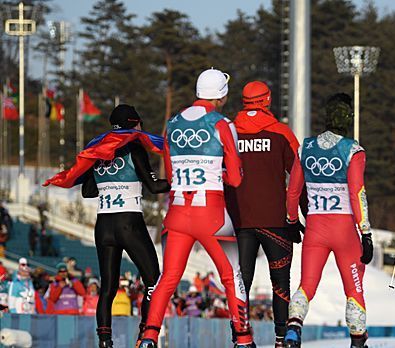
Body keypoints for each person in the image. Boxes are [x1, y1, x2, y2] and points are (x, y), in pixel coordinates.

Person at [139, 68, 255, 348]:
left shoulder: (174, 123)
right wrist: (219, 173)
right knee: (231, 276)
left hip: (177, 211)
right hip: (211, 214)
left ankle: (148, 337)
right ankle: (243, 338)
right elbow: (237, 179)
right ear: (221, 95)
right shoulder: (223, 124)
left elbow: (167, 172)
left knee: (168, 279)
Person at [43, 104, 169, 347]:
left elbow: (89, 191)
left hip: (104, 226)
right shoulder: (134, 147)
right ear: (134, 124)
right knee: (154, 281)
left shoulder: (99, 150)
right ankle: (146, 336)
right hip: (128, 223)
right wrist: (182, 182)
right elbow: (154, 187)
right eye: (139, 124)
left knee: (108, 288)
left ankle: (104, 341)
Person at [284, 93, 374, 348]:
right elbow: (358, 193)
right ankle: (358, 341)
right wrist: (365, 232)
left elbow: (293, 191)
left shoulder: (306, 147)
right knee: (354, 290)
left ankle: (293, 327)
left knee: (306, 285)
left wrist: (292, 220)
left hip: (315, 228)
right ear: (348, 118)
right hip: (344, 230)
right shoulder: (353, 150)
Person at [225, 81, 306, 347]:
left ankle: (240, 337)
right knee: (280, 283)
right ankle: (282, 339)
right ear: (267, 100)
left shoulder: (228, 132)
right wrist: (304, 215)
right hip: (276, 221)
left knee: (240, 282)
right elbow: (298, 177)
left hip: (239, 221)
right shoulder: (281, 133)